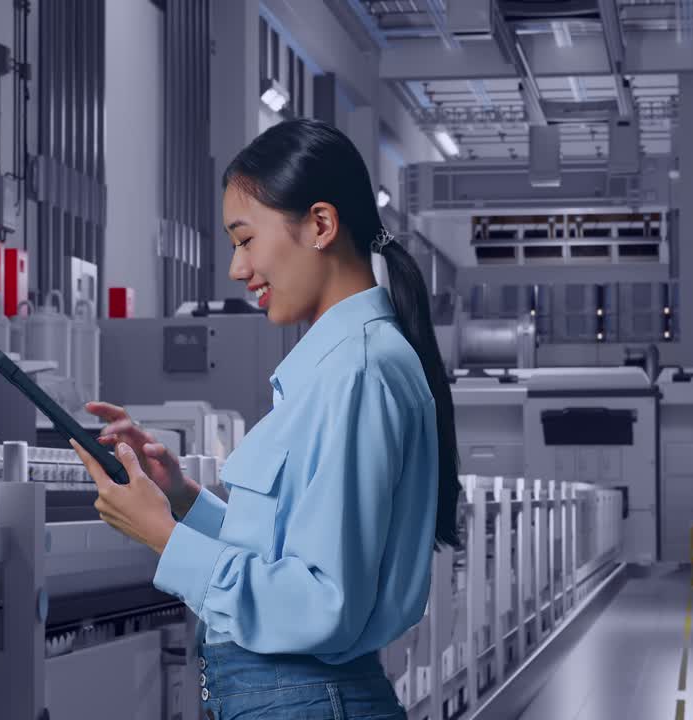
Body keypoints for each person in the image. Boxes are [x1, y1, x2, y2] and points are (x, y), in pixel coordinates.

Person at [70, 118, 462, 719]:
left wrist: (163, 537)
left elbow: (321, 604)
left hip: (304, 697)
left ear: (321, 225)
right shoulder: (342, 367)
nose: (236, 267)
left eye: (245, 239)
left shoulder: (354, 372)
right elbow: (291, 554)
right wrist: (181, 497)